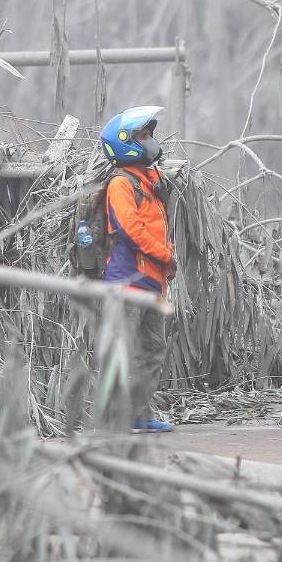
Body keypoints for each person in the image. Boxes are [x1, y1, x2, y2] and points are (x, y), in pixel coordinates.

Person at [99, 105, 176, 434]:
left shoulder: (148, 180)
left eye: (149, 135)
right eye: (143, 136)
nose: (150, 141)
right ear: (127, 143)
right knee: (123, 351)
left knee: (152, 350)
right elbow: (131, 231)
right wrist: (165, 255)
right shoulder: (121, 184)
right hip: (128, 284)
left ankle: (140, 416)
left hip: (152, 284)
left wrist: (165, 263)